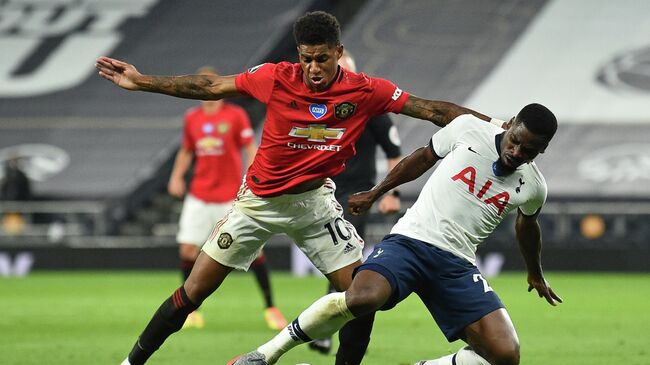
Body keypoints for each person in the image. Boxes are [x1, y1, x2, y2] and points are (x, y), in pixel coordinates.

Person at [95, 11, 493, 365]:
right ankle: (132, 362)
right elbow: (211, 86)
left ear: (339, 51)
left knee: (362, 299)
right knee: (192, 293)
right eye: (306, 58)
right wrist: (140, 80)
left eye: (322, 58)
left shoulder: (366, 90)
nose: (313, 68)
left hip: (314, 206)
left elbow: (435, 111)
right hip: (257, 203)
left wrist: (494, 130)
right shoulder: (274, 77)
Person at [231, 103, 562, 365]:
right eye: (515, 141)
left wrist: (535, 272)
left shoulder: (533, 186)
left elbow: (527, 225)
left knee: (506, 355)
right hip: (411, 242)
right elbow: (422, 158)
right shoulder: (469, 129)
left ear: (541, 151)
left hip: (457, 266)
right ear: (510, 123)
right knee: (362, 298)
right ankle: (266, 355)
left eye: (529, 150)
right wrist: (377, 192)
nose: (517, 152)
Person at [167, 66, 287, 330]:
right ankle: (191, 311)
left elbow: (249, 147)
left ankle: (271, 308)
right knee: (187, 249)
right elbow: (187, 150)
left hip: (229, 195)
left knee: (254, 252)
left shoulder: (235, 116)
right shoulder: (192, 118)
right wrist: (177, 176)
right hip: (199, 193)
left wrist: (257, 177)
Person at [308, 50, 402, 355]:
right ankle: (329, 327)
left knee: (343, 259)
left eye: (344, 71)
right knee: (335, 264)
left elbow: (393, 150)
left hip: (356, 195)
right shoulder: (319, 107)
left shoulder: (370, 108)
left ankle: (325, 331)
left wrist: (391, 193)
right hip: (322, 191)